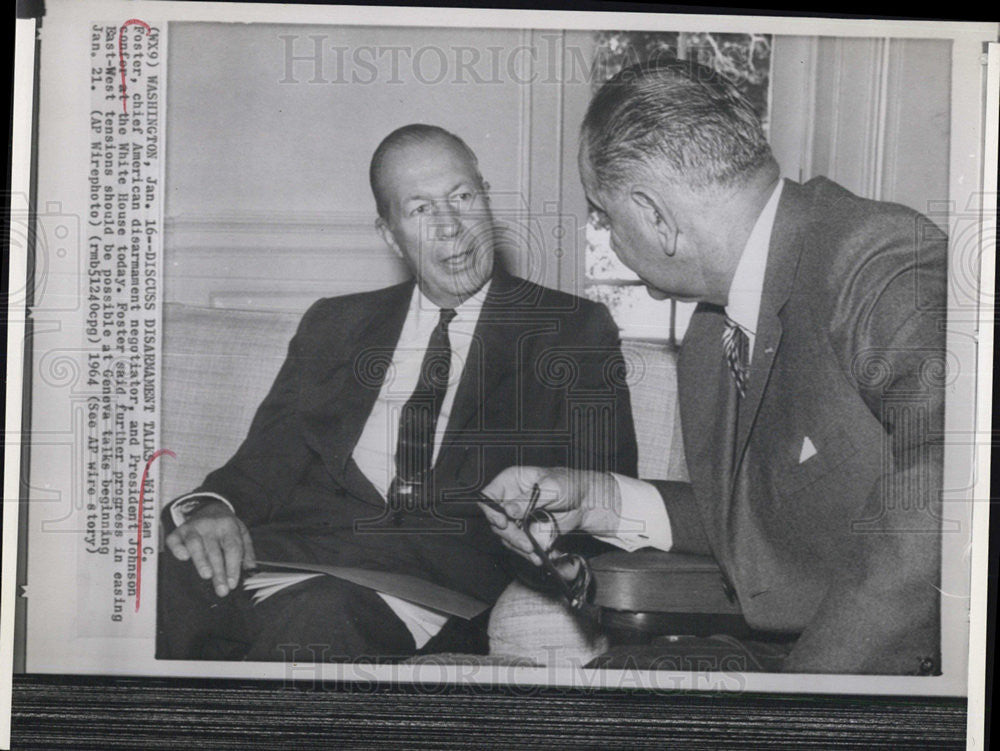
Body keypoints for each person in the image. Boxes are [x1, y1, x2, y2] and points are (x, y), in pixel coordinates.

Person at [481, 60, 947, 675]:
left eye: (604, 215)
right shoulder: (712, 331)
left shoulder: (875, 259)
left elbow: (956, 483)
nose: (606, 235)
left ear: (655, 216)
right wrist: (599, 499)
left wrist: (801, 702)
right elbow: (767, 518)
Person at [157, 124, 637, 662]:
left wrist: (552, 549)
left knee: (318, 618)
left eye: (462, 197)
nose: (452, 227)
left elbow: (602, 494)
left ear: (487, 202)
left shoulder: (571, 330)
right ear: (389, 234)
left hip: (434, 585)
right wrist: (211, 509)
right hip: (289, 553)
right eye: (421, 210)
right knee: (160, 575)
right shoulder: (334, 325)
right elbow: (259, 465)